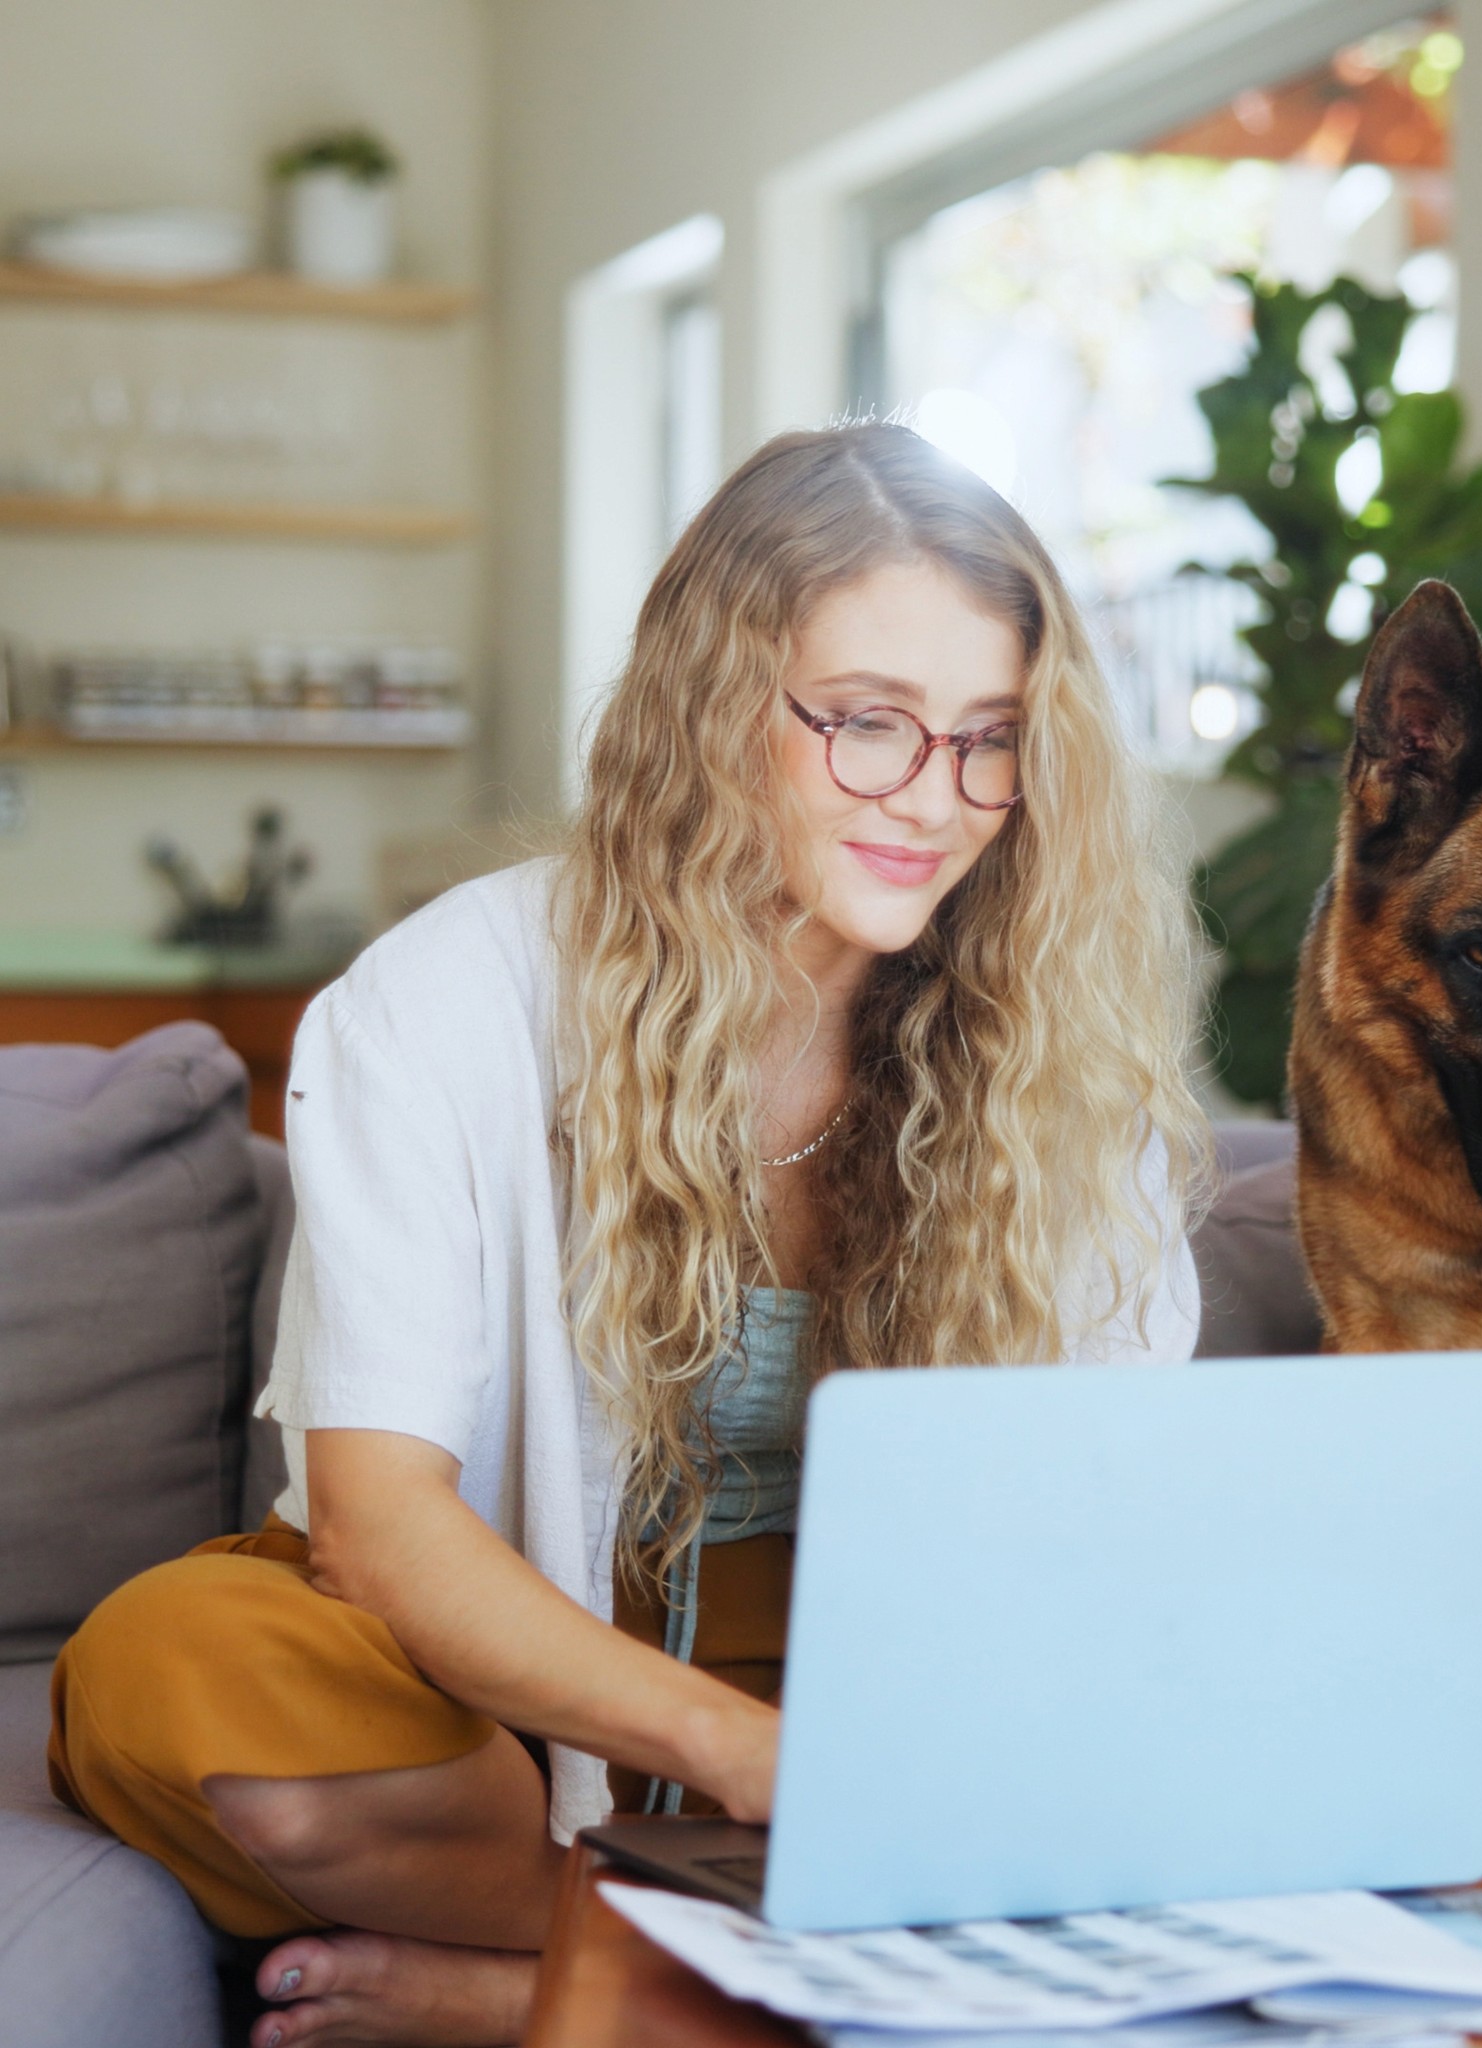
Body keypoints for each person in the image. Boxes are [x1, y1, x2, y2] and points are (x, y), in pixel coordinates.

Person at [47, 422, 1210, 2048]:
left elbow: (1119, 1516)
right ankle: (769, 1978)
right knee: (170, 1663)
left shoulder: (1058, 1061)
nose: (933, 801)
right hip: (501, 1707)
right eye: (868, 724)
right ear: (716, 705)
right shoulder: (444, 1002)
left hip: (872, 1705)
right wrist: (750, 1765)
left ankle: (560, 1997)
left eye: (989, 741)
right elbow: (379, 1531)